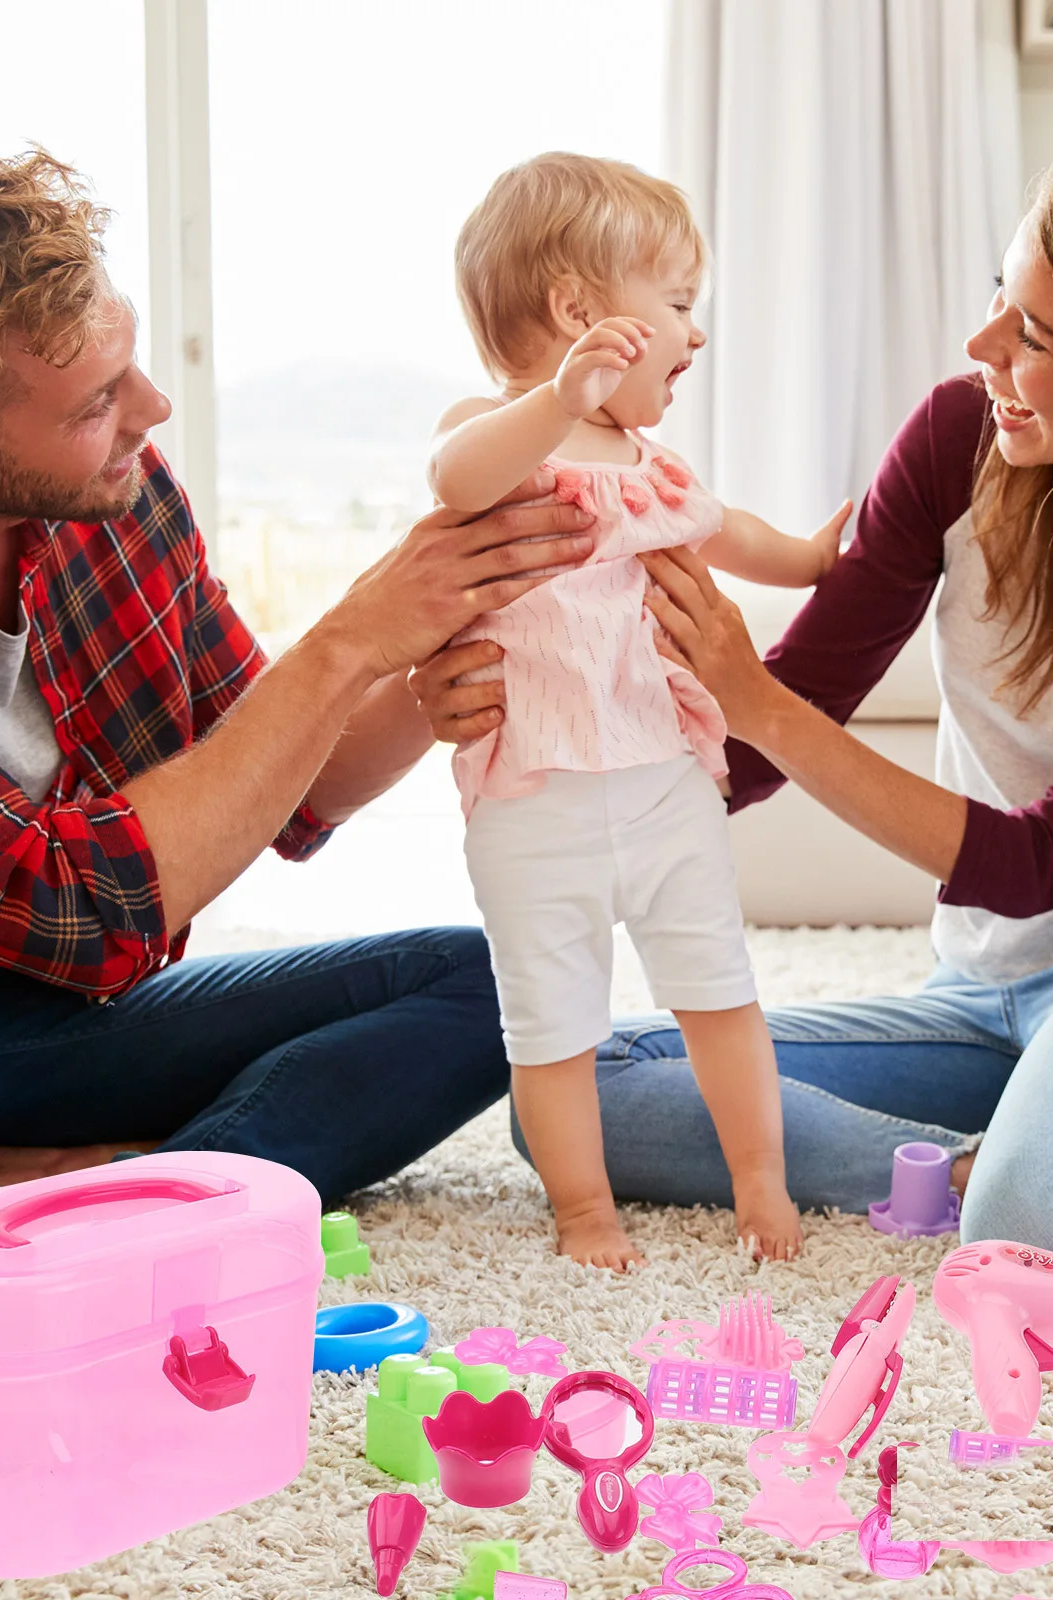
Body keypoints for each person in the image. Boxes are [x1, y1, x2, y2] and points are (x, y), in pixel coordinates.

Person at [414, 143, 1053, 1293]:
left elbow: (1035, 862)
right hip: (982, 991)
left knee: (1046, 1216)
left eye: (1033, 336)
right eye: (1000, 295)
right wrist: (540, 701)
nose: (981, 343)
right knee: (577, 1100)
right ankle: (980, 1164)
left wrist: (748, 695)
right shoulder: (958, 438)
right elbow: (755, 745)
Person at [0, 140, 598, 1304]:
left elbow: (289, 776)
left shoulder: (112, 492)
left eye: (126, 360)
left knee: (485, 984)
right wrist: (345, 639)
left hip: (35, 1017)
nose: (151, 407)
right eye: (96, 402)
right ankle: (68, 1205)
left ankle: (90, 1205)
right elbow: (81, 911)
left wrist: (423, 660)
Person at [429, 154, 848, 1267]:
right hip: (532, 794)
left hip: (662, 782)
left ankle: (760, 1185)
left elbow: (729, 531)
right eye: (675, 306)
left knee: (718, 991)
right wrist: (554, 401)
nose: (694, 335)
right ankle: (583, 1211)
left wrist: (809, 557)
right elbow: (458, 477)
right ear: (579, 316)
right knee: (553, 1021)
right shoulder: (500, 435)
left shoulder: (650, 468)